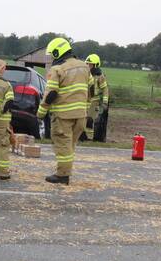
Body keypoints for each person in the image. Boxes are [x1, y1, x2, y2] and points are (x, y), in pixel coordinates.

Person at [36, 37, 89, 185]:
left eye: (53, 54)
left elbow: (51, 94)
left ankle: (62, 175)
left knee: (63, 145)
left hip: (63, 116)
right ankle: (65, 171)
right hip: (81, 114)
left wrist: (40, 113)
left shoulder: (57, 69)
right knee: (70, 145)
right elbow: (90, 88)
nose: (52, 57)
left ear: (58, 52)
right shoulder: (84, 67)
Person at [82, 53, 109, 142]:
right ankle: (83, 136)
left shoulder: (100, 76)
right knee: (82, 118)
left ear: (96, 65)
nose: (87, 66)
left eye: (89, 64)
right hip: (84, 100)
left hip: (95, 100)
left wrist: (105, 102)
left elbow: (105, 89)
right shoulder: (85, 74)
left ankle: (93, 137)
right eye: (86, 64)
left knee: (90, 119)